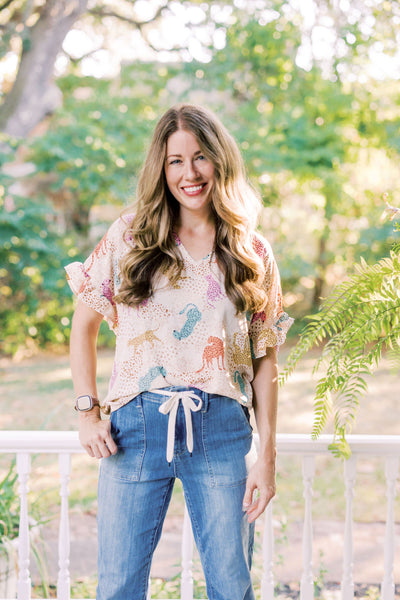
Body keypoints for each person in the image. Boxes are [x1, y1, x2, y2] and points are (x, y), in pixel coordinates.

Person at [66, 103, 293, 600]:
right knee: (118, 586)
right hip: (135, 431)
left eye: (200, 158)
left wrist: (267, 455)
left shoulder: (252, 251)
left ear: (220, 160)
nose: (189, 173)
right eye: (175, 160)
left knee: (231, 587)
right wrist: (87, 412)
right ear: (160, 167)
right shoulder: (130, 236)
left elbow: (266, 359)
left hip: (222, 428)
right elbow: (83, 325)